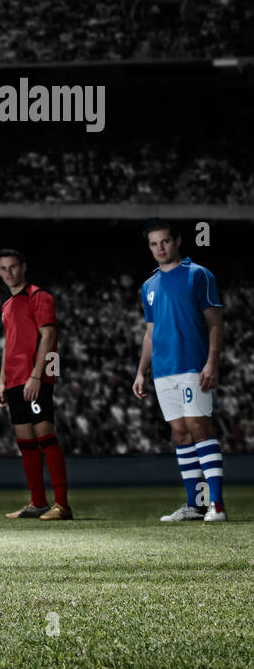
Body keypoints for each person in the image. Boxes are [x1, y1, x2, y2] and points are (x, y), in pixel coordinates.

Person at [132, 219, 226, 522]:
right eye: (153, 244)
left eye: (165, 242)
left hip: (192, 365)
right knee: (180, 433)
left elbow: (215, 323)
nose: (160, 248)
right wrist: (141, 371)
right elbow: (150, 332)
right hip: (163, 370)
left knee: (199, 428)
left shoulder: (198, 275)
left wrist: (212, 361)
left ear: (177, 241)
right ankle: (195, 505)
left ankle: (217, 505)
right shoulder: (149, 285)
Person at [0, 248, 71, 520]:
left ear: (24, 267)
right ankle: (38, 502)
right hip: (15, 381)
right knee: (25, 443)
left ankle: (62, 505)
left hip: (36, 377)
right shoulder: (6, 305)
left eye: (13, 267)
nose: (8, 273)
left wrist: (39, 376)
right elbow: (9, 345)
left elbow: (49, 336)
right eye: (3, 268)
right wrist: (2, 382)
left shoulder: (39, 296)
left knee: (46, 437)